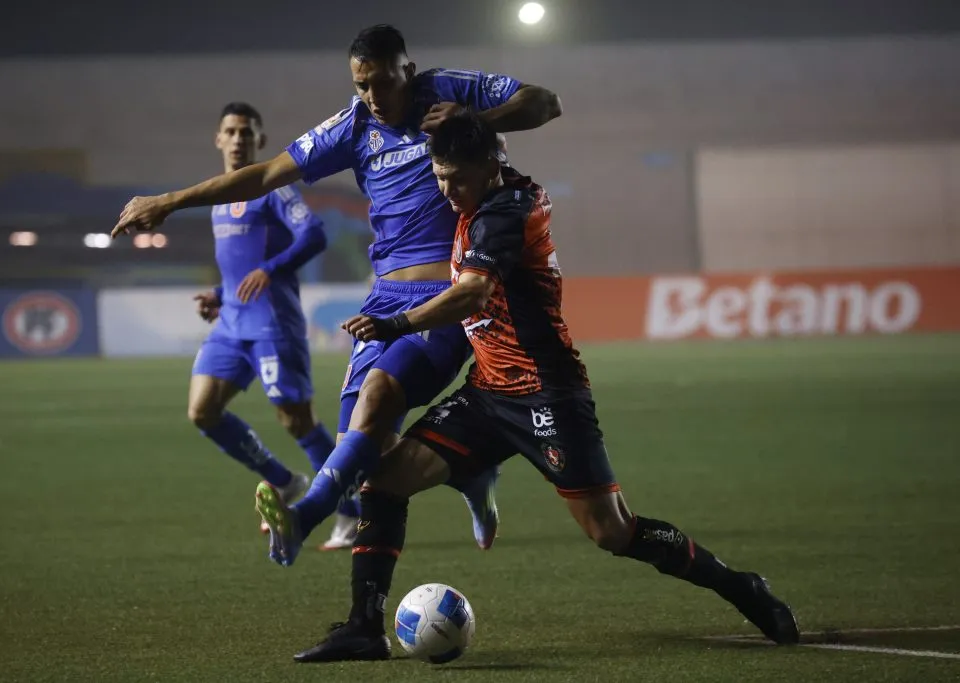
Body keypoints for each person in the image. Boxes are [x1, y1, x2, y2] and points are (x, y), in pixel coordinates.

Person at [290, 111, 800, 662]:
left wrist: (397, 325)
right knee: (383, 481)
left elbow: (473, 294)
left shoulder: (505, 213)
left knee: (612, 532)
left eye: (455, 178)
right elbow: (492, 143)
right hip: (487, 391)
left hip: (546, 394)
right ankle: (365, 626)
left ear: (489, 167)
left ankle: (740, 585)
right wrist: (460, 116)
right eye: (439, 177)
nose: (446, 190)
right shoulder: (483, 185)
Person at [111, 25, 563, 562]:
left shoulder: (446, 91)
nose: (372, 97)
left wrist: (472, 123)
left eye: (381, 83)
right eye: (361, 86)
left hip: (445, 295)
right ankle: (468, 467)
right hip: (383, 299)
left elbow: (544, 102)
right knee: (363, 449)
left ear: (408, 71)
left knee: (374, 404)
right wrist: (170, 199)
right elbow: (265, 176)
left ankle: (303, 519)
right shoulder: (351, 127)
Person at [188, 102, 356, 550]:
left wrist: (271, 268)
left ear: (260, 141)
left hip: (272, 323)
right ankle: (282, 481)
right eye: (231, 130)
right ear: (218, 139)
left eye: (247, 132)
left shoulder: (274, 189)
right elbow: (236, 270)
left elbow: (315, 233)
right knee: (202, 411)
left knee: (297, 422)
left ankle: (350, 512)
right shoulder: (218, 197)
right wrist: (219, 297)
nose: (239, 138)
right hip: (231, 324)